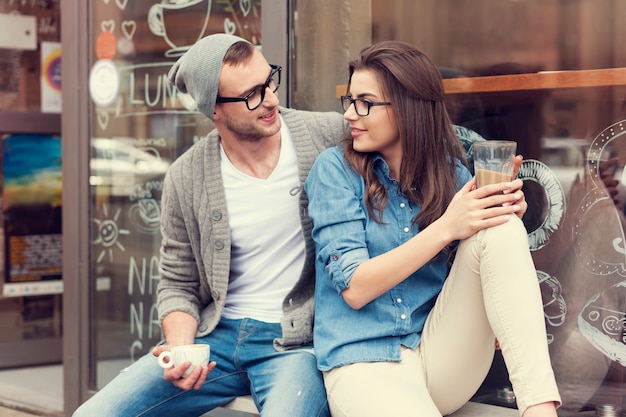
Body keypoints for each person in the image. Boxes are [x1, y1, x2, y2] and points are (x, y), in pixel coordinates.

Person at [73, 33, 347, 417]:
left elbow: (419, 139)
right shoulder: (186, 177)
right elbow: (177, 282)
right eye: (252, 94)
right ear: (214, 110)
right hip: (215, 338)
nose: (270, 99)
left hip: (295, 344)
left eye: (270, 81)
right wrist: (182, 349)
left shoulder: (327, 136)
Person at [304, 40, 562, 417]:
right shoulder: (334, 171)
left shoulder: (452, 175)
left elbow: (479, 266)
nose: (349, 115)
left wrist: (503, 212)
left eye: (365, 103)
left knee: (502, 227)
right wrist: (447, 227)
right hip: (364, 364)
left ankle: (540, 409)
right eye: (350, 100)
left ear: (408, 108)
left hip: (439, 355)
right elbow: (355, 289)